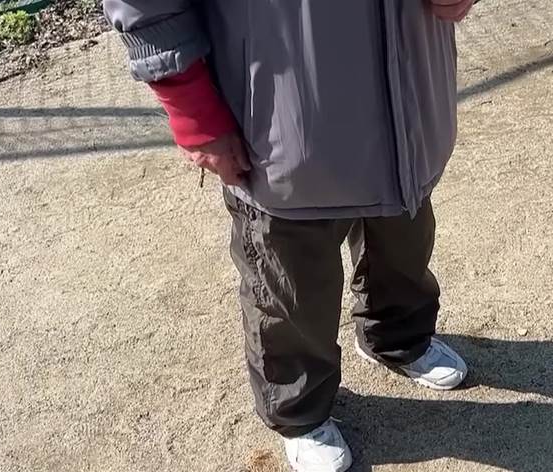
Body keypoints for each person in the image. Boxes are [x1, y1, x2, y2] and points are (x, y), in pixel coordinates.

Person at [104, 1, 475, 470]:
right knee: (288, 281)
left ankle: (398, 335)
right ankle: (299, 410)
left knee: (404, 237)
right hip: (279, 117)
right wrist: (189, 104)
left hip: (409, 96)